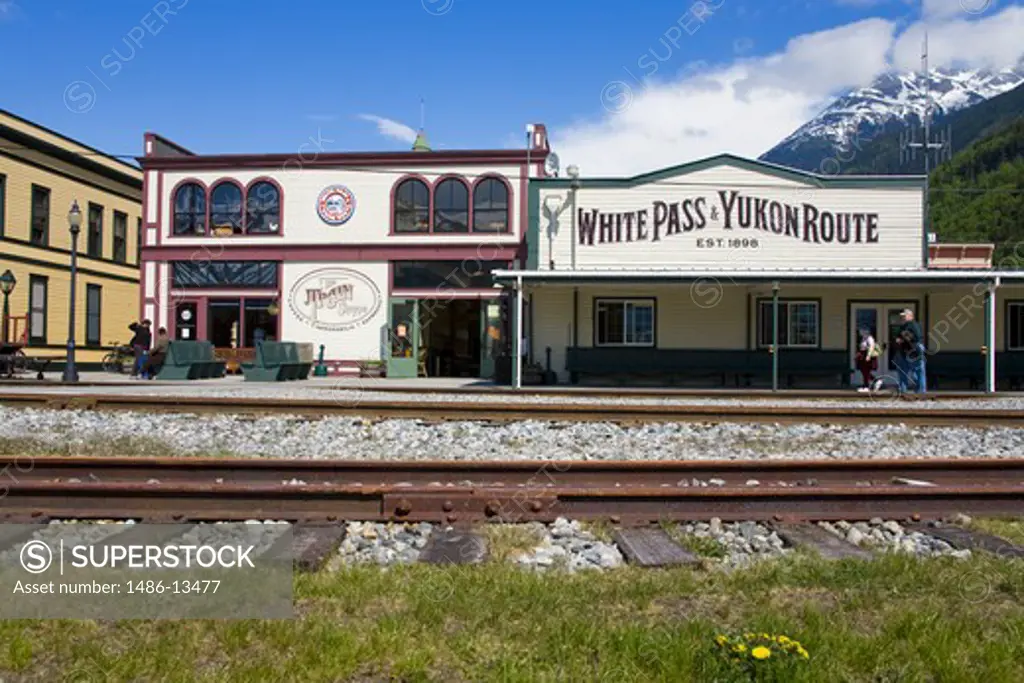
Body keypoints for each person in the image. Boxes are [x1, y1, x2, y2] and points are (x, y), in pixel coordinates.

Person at [895, 309, 926, 393]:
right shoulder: (903, 326)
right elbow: (899, 337)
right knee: (904, 371)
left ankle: (920, 392)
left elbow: (917, 338)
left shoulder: (913, 325)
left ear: (910, 316)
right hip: (904, 351)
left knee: (917, 372)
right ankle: (903, 391)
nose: (902, 318)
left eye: (904, 316)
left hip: (913, 351)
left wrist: (904, 339)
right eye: (902, 316)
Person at [855, 327, 879, 392]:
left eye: (862, 330)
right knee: (864, 371)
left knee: (866, 371)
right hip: (863, 355)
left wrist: (868, 355)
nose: (860, 332)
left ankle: (866, 386)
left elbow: (871, 347)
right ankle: (875, 381)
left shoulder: (870, 338)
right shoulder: (864, 338)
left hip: (867, 356)